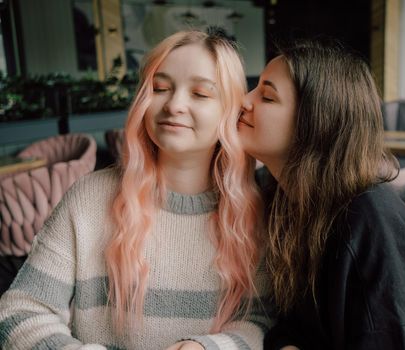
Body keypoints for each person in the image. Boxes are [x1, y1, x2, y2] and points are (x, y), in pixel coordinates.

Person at [0, 29, 272, 350]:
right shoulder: (89, 197)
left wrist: (211, 347)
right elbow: (21, 308)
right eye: (160, 88)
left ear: (231, 111)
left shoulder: (256, 206)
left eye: (200, 93)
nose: (174, 105)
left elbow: (260, 317)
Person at [237, 39, 405, 349]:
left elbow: (402, 337)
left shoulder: (366, 217)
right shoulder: (283, 202)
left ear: (315, 122)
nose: (244, 101)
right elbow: (299, 323)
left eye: (267, 96)